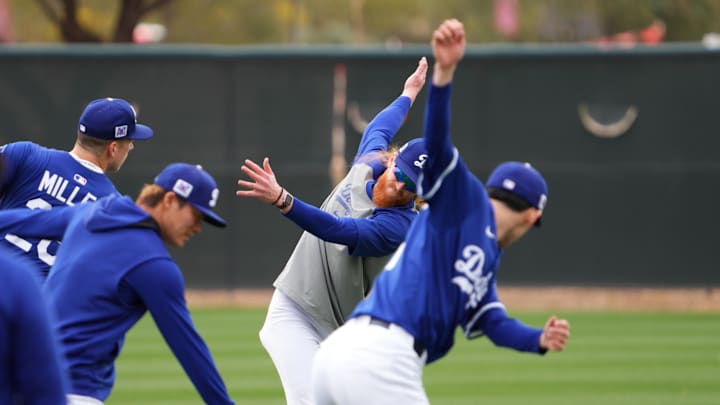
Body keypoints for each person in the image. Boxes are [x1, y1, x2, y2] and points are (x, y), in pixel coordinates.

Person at [311, 19, 571, 405]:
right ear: (533, 217)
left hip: (340, 355)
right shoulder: (463, 199)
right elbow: (437, 143)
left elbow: (490, 322)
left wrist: (537, 340)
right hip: (382, 358)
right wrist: (444, 75)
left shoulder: (484, 255)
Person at [235, 57, 429, 405]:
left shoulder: (397, 226)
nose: (401, 187)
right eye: (400, 174)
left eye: (412, 187)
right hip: (294, 312)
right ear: (390, 160)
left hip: (341, 334)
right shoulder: (369, 162)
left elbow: (336, 229)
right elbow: (381, 128)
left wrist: (283, 199)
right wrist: (408, 92)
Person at [0, 163, 234, 404]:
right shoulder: (154, 265)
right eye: (196, 216)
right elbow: (190, 350)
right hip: (76, 392)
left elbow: (24, 220)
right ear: (170, 200)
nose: (197, 228)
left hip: (26, 382)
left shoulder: (91, 213)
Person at [0, 97, 153, 279]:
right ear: (112, 148)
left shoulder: (25, 154)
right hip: (40, 302)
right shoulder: (113, 207)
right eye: (130, 141)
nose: (132, 146)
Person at [0, 157, 68, 404]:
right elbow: (45, 392)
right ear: (114, 148)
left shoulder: (28, 155)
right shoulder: (18, 279)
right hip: (40, 297)